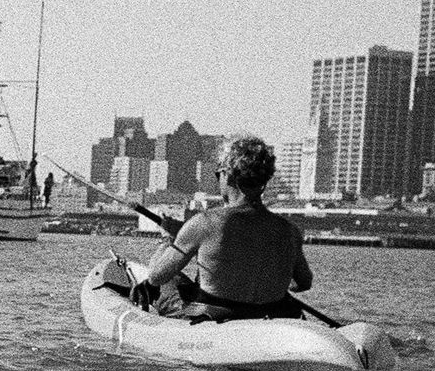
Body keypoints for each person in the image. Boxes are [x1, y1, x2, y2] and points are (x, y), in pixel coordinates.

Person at [130, 136, 312, 321]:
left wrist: (169, 239)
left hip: (213, 320)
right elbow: (303, 283)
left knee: (169, 280)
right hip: (265, 318)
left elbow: (156, 277)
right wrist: (271, 281)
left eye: (218, 175)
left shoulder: (205, 223)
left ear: (228, 174)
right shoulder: (289, 230)